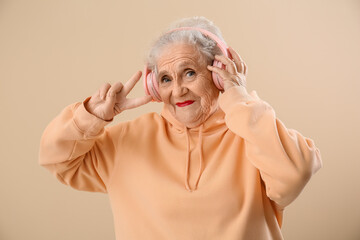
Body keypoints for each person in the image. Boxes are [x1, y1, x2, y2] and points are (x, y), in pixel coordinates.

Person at [39, 16, 322, 240]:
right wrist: (90, 117)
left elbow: (295, 174)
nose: (178, 90)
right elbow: (55, 160)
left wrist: (239, 97)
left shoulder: (253, 131)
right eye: (164, 79)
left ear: (219, 75)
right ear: (154, 87)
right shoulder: (126, 140)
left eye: (189, 72)